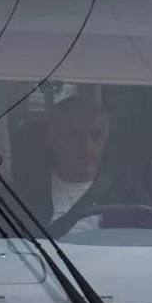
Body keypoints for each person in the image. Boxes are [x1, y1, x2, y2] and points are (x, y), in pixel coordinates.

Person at [45, 93, 111, 231]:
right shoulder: (24, 197)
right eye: (74, 136)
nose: (87, 147)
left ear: (106, 139)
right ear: (54, 138)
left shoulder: (126, 196)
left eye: (96, 136)